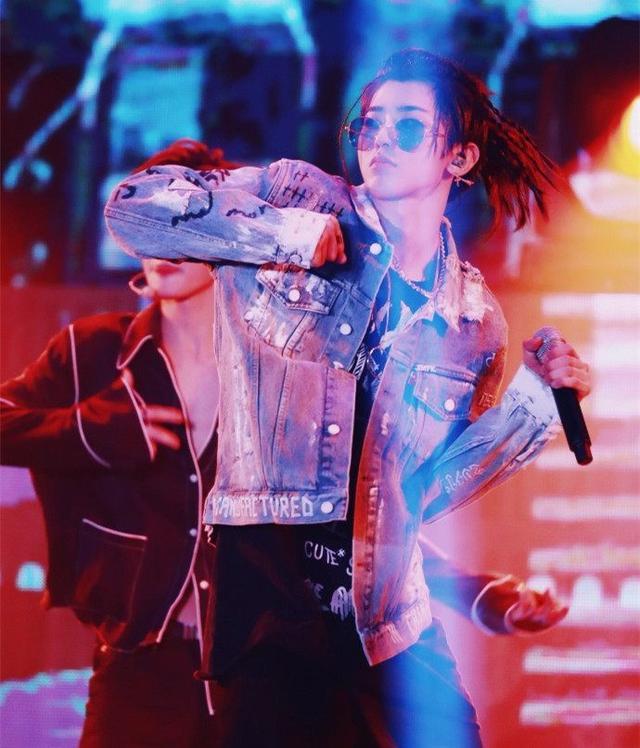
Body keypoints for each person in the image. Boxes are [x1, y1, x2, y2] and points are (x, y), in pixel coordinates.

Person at [104, 50, 590, 747]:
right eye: (369, 124)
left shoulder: (473, 317)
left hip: (386, 611)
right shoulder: (296, 196)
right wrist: (283, 236)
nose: (379, 140)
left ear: (459, 157)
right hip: (269, 597)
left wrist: (535, 407)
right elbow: (134, 209)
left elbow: (426, 491)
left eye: (408, 126)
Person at [0, 139, 237, 747]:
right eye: (146, 219)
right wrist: (89, 432)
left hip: (262, 679)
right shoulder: (93, 352)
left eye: (184, 218)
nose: (160, 240)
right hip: (138, 670)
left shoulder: (276, 369)